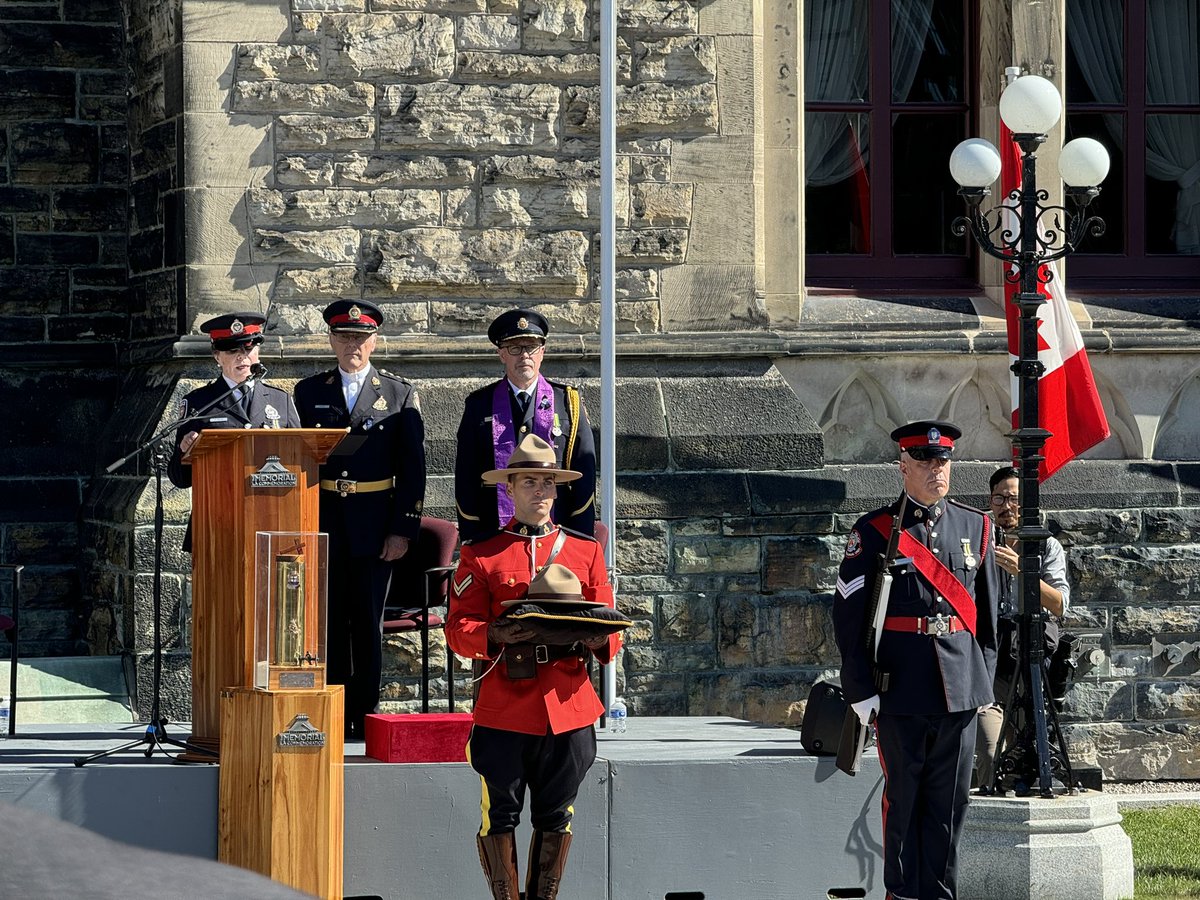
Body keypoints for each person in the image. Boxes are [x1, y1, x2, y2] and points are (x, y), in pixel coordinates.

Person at [446, 434, 619, 900]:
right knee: (498, 815)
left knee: (557, 815)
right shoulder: (482, 554)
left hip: (569, 704)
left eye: (546, 482)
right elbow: (458, 628)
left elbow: (611, 626)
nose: (539, 491)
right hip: (506, 705)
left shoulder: (586, 551)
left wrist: (598, 638)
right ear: (510, 488)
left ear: (557, 489)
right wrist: (495, 635)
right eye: (528, 482)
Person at [831, 420, 999, 900]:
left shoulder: (977, 527)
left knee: (950, 806)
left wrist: (981, 683)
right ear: (903, 467)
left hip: (960, 691)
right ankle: (902, 894)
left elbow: (987, 620)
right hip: (900, 689)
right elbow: (849, 616)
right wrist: (860, 689)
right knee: (903, 801)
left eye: (942, 461)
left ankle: (942, 893)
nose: (935, 470)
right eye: (924, 462)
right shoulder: (874, 531)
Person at [293, 300, 426, 739]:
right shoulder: (309, 392)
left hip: (375, 523)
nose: (353, 345)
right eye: (345, 336)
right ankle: (331, 709)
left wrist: (402, 529)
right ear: (331, 340)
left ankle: (364, 713)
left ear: (375, 341)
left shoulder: (399, 393)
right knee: (327, 619)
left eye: (361, 337)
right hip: (325, 519)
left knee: (368, 621)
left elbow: (413, 470)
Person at [454, 308, 596, 543]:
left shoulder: (567, 402)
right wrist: (474, 537)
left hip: (557, 531)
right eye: (515, 348)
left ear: (542, 352)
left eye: (531, 347)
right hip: (494, 532)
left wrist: (579, 537)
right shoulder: (479, 404)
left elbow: (584, 474)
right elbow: (466, 477)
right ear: (502, 354)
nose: (524, 356)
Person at [167, 311, 300, 552]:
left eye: (248, 349)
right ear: (216, 356)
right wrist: (185, 453)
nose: (242, 357)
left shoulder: (281, 401)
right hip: (217, 526)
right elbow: (179, 478)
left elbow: (302, 463)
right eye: (232, 351)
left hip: (272, 523)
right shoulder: (198, 403)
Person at [975, 464, 1071, 793]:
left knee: (1031, 758)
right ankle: (987, 828)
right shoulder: (978, 542)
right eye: (998, 498)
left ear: (1028, 503)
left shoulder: (1047, 547)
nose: (1006, 506)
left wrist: (1023, 573)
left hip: (1031, 668)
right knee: (991, 752)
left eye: (1014, 498)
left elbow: (1059, 604)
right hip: (991, 670)